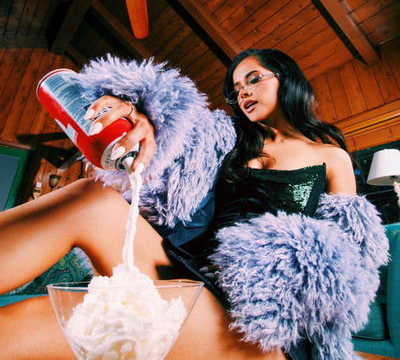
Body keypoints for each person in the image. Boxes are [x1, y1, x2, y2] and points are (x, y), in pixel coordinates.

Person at [0, 49, 388, 359]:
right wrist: (147, 118)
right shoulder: (226, 142)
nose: (244, 93)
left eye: (254, 79)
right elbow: (175, 158)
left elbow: (349, 268)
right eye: (236, 89)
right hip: (190, 278)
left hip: (260, 328)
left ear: (287, 78)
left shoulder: (331, 158)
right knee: (91, 199)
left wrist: (275, 267)